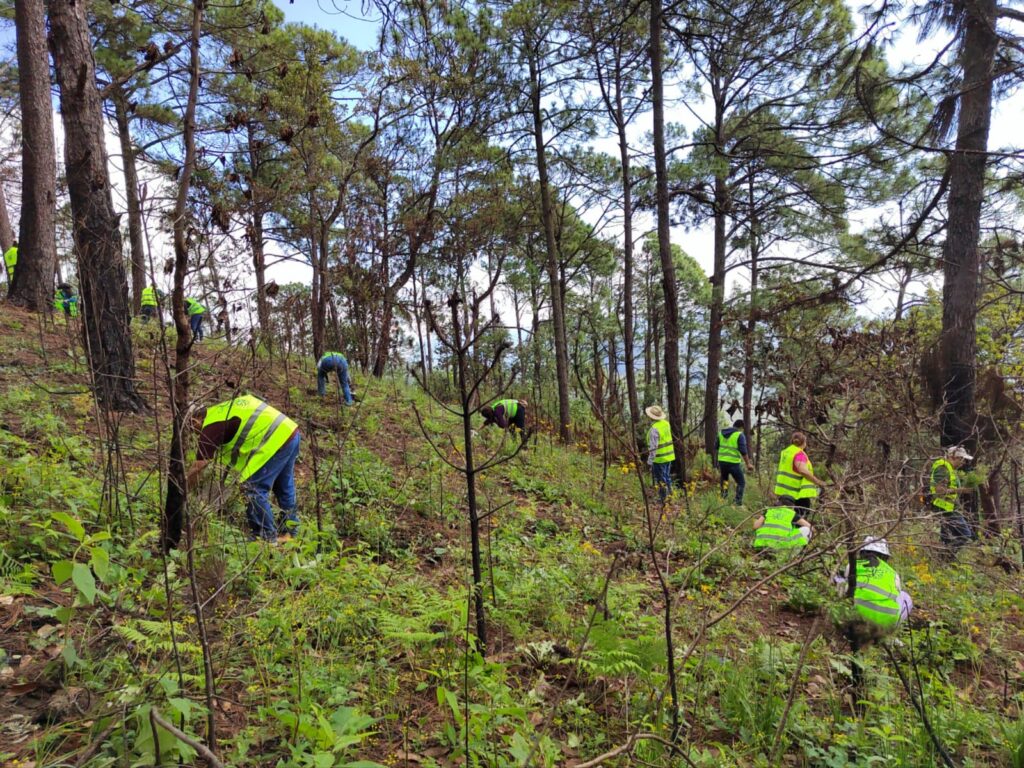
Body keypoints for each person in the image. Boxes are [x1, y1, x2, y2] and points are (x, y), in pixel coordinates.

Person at [187, 394, 301, 542]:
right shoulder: (220, 410)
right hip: (290, 432)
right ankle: (290, 533)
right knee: (283, 487)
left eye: (190, 428)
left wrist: (184, 487)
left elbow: (199, 466)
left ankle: (265, 537)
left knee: (253, 488)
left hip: (275, 440)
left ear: (195, 421)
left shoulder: (210, 426)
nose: (192, 433)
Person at [836, 537, 912, 632]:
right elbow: (897, 593)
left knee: (840, 579)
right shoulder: (893, 574)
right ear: (885, 556)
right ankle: (888, 633)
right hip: (884, 625)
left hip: (856, 618)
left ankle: (843, 618)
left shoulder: (853, 565)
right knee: (905, 597)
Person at [930, 446, 975, 557]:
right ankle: (945, 557)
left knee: (946, 538)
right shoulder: (942, 468)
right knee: (965, 535)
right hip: (945, 508)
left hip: (949, 507)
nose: (963, 462)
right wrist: (961, 490)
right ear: (953, 457)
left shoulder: (950, 469)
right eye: (961, 459)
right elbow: (939, 490)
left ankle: (942, 561)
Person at [774, 431, 826, 517]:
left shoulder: (786, 452)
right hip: (796, 493)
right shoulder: (799, 454)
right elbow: (803, 471)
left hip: (783, 491)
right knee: (799, 518)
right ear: (804, 443)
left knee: (783, 517)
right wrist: (817, 481)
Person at [717, 419, 754, 504]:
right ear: (741, 427)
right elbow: (743, 451)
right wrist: (748, 464)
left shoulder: (721, 433)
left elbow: (716, 447)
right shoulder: (739, 435)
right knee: (741, 482)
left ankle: (723, 499)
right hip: (733, 463)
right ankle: (737, 502)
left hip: (722, 462)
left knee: (724, 480)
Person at [644, 405, 674, 503]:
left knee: (661, 479)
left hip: (659, 459)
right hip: (668, 456)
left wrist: (649, 461)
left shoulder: (654, 429)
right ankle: (670, 495)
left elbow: (653, 448)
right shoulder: (666, 424)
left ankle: (663, 499)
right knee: (667, 476)